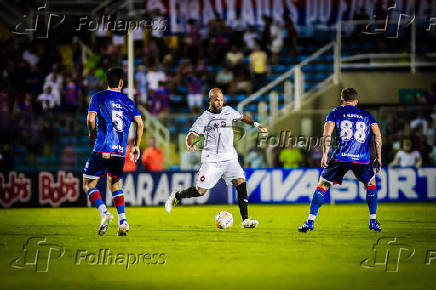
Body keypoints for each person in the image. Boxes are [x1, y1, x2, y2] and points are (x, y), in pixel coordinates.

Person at [165, 88, 268, 228]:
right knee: (200, 191)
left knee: (240, 182)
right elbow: (192, 134)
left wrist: (257, 124)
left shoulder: (229, 111)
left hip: (230, 158)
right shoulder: (204, 118)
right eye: (216, 100)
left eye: (221, 100)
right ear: (210, 100)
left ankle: (245, 220)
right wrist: (189, 144)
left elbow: (243, 117)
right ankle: (177, 196)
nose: (219, 102)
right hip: (211, 160)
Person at [298, 88, 383, 232]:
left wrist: (325, 154)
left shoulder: (335, 112)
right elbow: (378, 135)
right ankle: (373, 221)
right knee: (371, 184)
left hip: (341, 157)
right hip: (362, 158)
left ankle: (310, 222)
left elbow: (327, 135)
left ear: (341, 100)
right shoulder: (367, 115)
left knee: (323, 185)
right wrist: (379, 157)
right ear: (356, 101)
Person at [82, 67, 144, 236]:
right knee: (115, 184)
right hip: (119, 152)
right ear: (121, 83)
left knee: (88, 184)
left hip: (102, 148)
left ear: (106, 82)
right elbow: (140, 123)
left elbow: (90, 118)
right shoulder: (128, 101)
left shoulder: (98, 97)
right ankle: (123, 221)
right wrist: (136, 146)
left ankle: (104, 213)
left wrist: (91, 132)